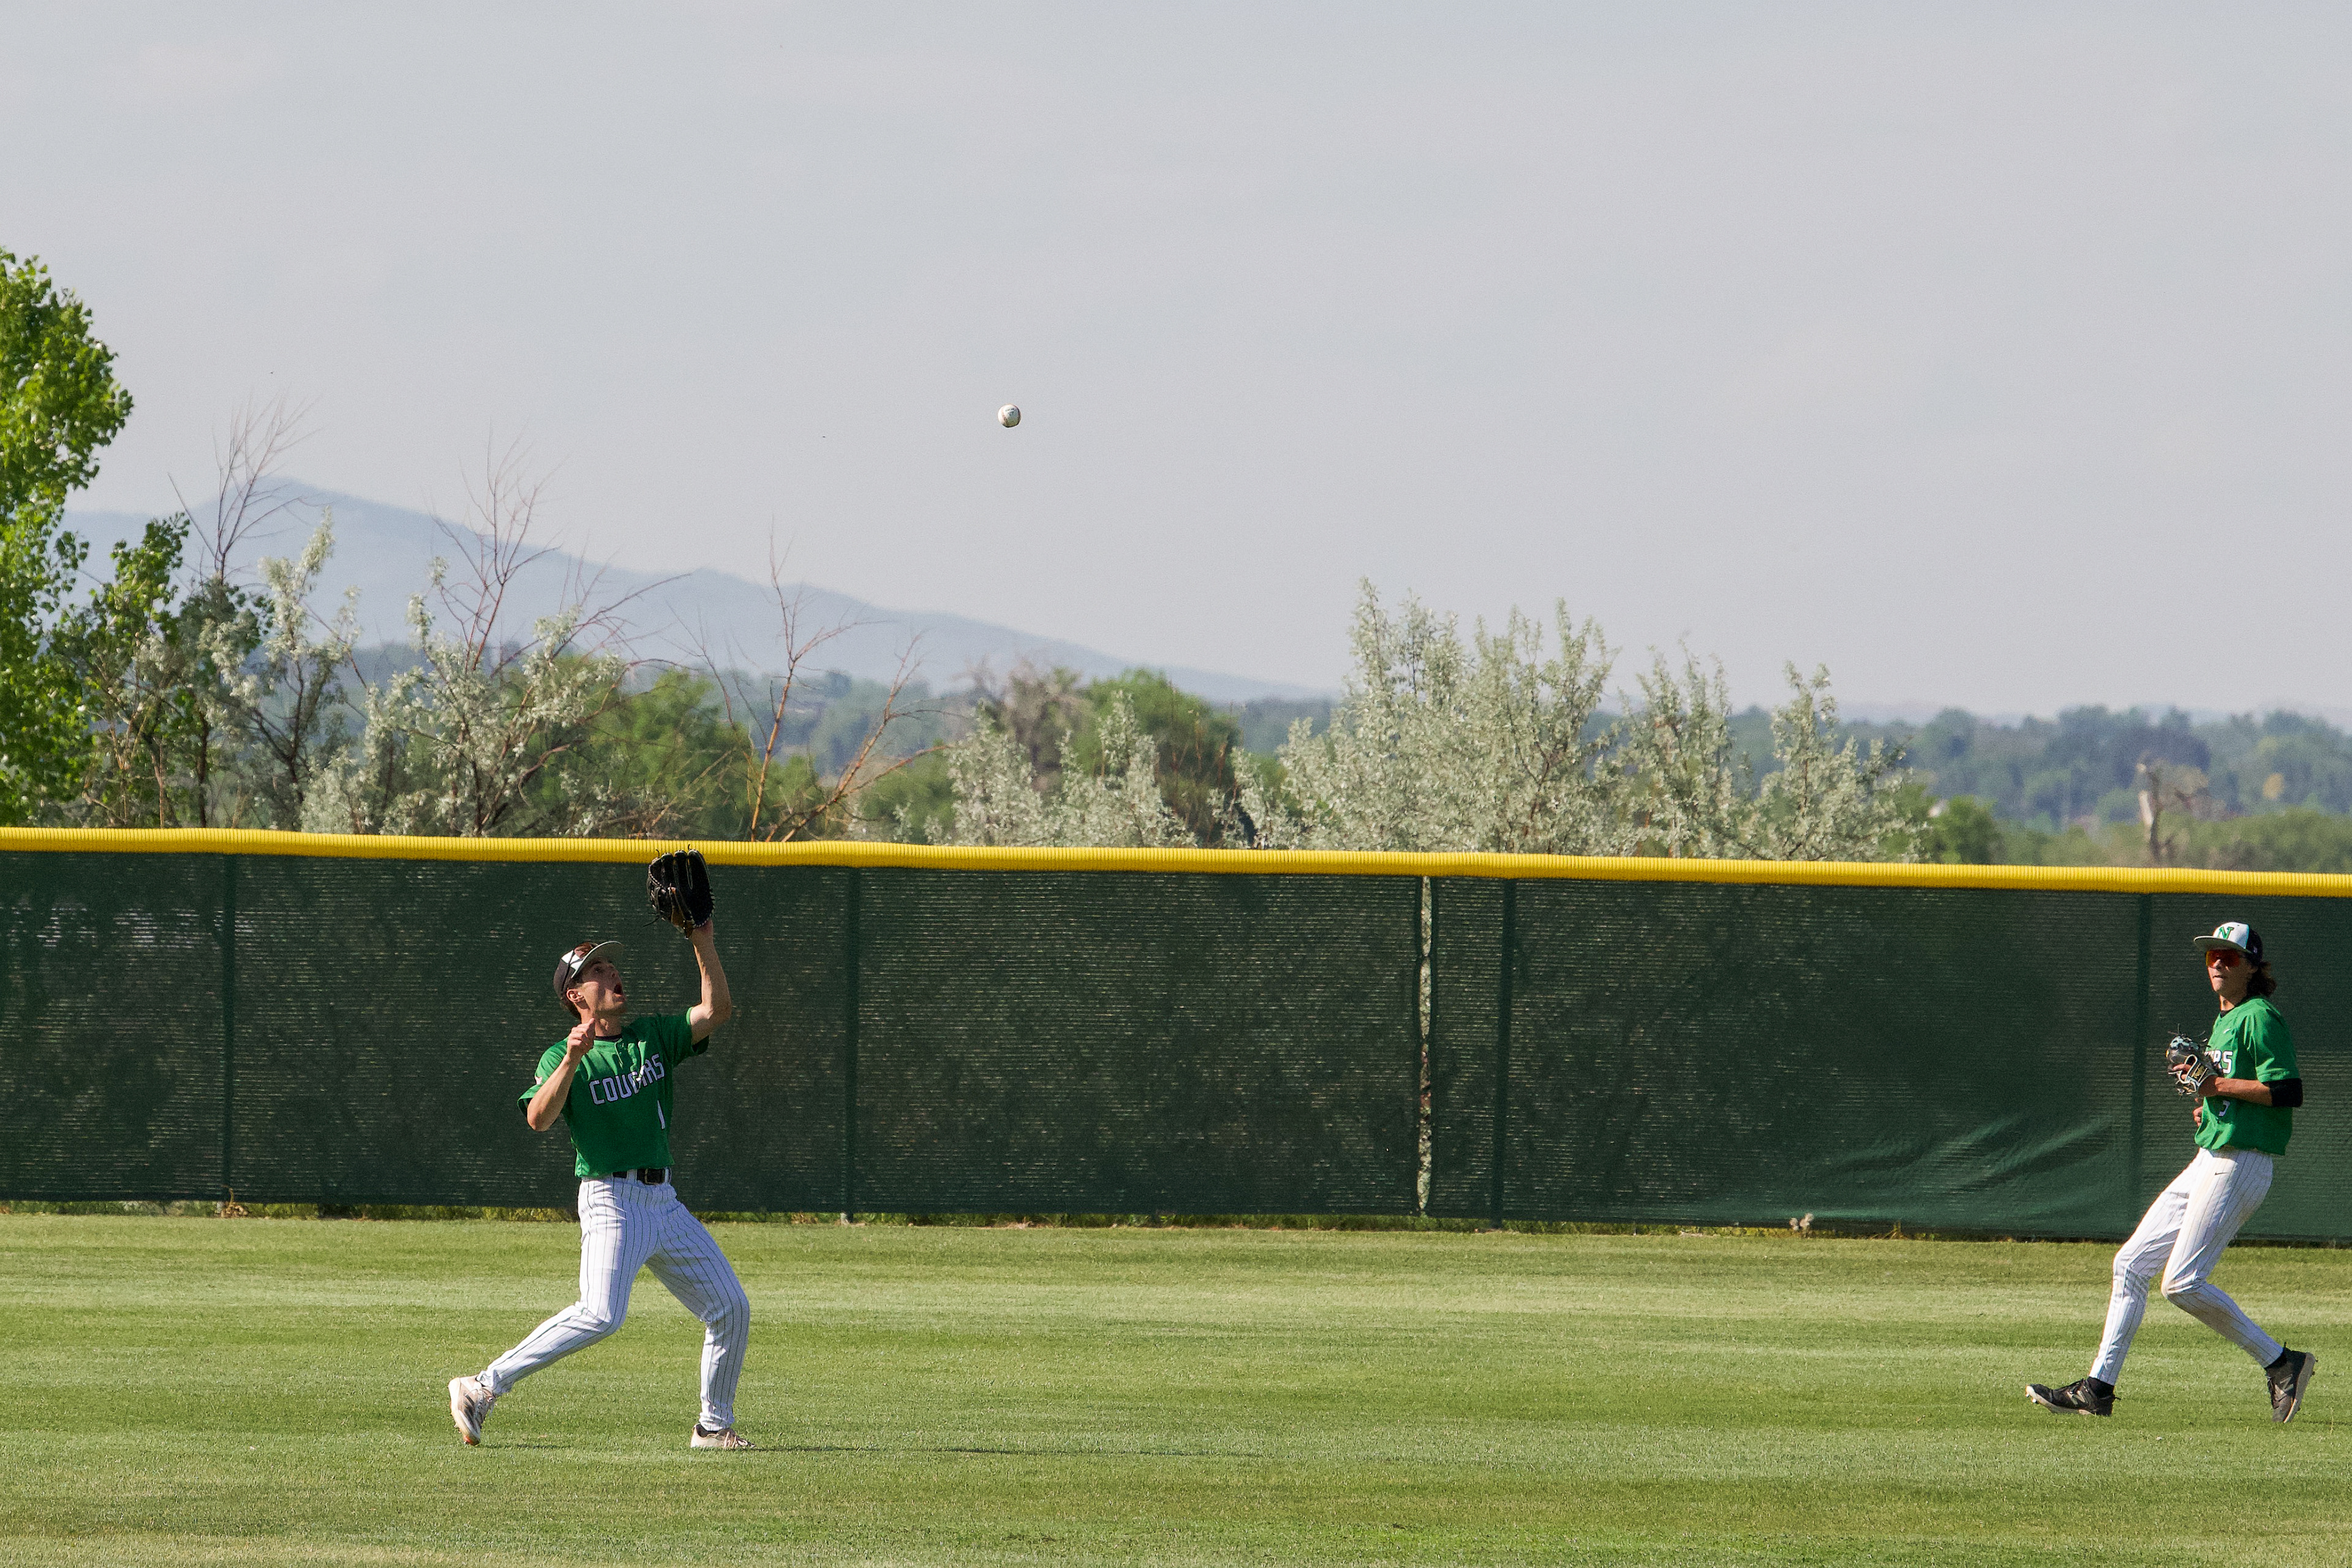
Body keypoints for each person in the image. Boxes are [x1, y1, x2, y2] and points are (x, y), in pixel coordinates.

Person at [446, 918, 755, 1449]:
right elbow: (539, 1119)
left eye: (612, 965)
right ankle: (482, 1386)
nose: (612, 973)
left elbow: (717, 1011)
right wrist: (572, 1059)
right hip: (612, 1200)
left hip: (663, 1201)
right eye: (597, 970)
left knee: (731, 1307)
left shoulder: (652, 1036)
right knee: (601, 1315)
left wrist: (701, 939)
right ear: (575, 995)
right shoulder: (559, 1056)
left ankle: (712, 1427)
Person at [2027, 921, 2315, 1422]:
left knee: (2180, 1283)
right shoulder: (2225, 1020)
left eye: (2229, 955)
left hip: (2242, 1162)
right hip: (2212, 1156)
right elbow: (2227, 1091)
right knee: (2131, 1264)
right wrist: (2210, 1108)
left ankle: (2281, 1362)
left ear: (2252, 966)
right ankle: (2097, 1389)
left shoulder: (2260, 1017)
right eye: (2211, 956)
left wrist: (2216, 1089)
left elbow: (2289, 1091)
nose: (2218, 962)